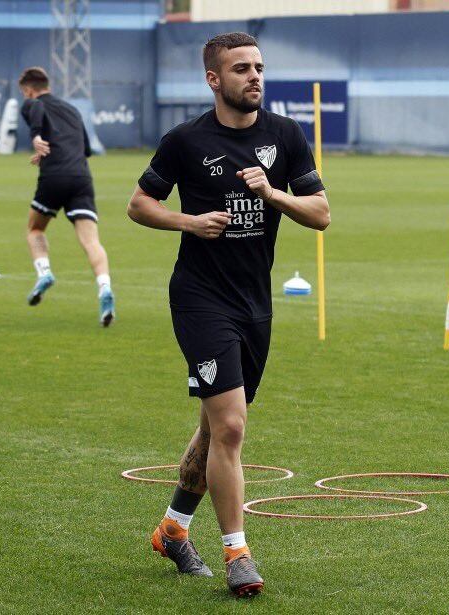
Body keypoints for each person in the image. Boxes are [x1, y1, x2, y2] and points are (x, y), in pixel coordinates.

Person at [126, 32, 330, 597]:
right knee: (232, 426)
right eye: (241, 68)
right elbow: (139, 204)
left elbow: (320, 214)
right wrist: (188, 222)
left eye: (259, 67)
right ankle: (238, 554)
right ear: (214, 79)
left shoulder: (286, 136)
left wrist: (274, 194)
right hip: (200, 297)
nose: (254, 76)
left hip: (254, 304)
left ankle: (173, 530)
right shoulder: (185, 140)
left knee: (214, 428)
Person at [18, 66, 115, 326]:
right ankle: (105, 287)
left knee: (35, 229)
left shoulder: (32, 103)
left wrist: (36, 136)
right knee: (91, 241)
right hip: (81, 178)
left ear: (28, 90)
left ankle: (44, 273)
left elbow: (36, 109)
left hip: (54, 177)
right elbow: (86, 149)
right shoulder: (72, 110)